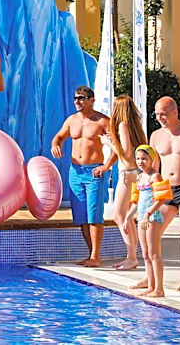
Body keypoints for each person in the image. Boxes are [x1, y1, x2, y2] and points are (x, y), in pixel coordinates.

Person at [50, 86, 111, 267]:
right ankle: (91, 254)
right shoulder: (72, 120)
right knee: (81, 215)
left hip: (94, 172)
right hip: (75, 172)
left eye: (81, 98)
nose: (77, 101)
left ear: (91, 100)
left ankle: (96, 256)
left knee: (94, 214)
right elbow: (58, 137)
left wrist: (106, 166)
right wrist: (55, 145)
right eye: (75, 98)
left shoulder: (102, 121)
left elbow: (117, 146)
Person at [145, 96, 180, 291]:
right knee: (152, 231)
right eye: (157, 114)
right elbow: (153, 167)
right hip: (166, 190)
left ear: (175, 112)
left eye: (164, 114)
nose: (160, 118)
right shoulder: (156, 136)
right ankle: (150, 279)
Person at [104, 94, 149, 271]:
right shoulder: (135, 126)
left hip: (128, 174)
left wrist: (108, 143)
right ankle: (132, 256)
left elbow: (127, 153)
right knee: (127, 217)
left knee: (119, 216)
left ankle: (132, 257)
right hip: (136, 174)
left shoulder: (122, 125)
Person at [133, 144, 170, 297]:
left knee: (154, 254)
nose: (140, 162)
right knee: (146, 254)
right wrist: (128, 217)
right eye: (138, 158)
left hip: (152, 217)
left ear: (151, 159)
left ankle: (159, 289)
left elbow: (162, 198)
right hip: (142, 217)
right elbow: (136, 200)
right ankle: (151, 285)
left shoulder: (155, 176)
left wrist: (149, 213)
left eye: (144, 158)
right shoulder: (140, 176)